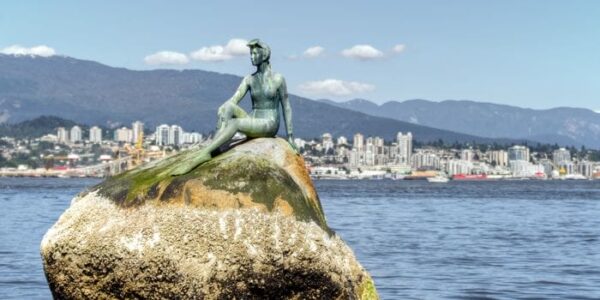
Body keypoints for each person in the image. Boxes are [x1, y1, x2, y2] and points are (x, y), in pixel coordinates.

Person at [170, 39, 297, 175]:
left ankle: (203, 154)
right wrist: (224, 108)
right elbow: (234, 99)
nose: (251, 57)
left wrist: (290, 136)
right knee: (228, 108)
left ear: (264, 55)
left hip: (269, 123)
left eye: (254, 53)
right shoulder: (250, 79)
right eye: (250, 53)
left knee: (235, 123)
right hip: (254, 118)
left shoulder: (278, 79)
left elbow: (286, 107)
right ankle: (215, 149)